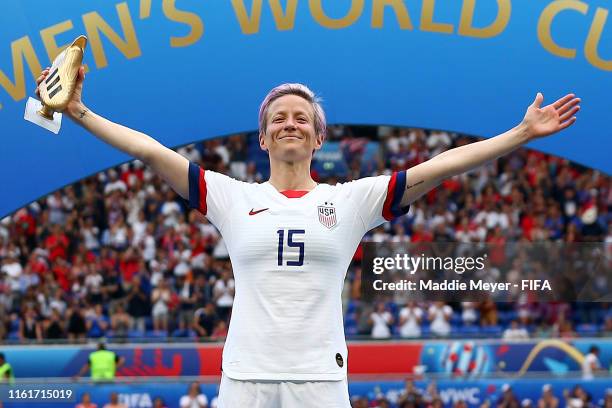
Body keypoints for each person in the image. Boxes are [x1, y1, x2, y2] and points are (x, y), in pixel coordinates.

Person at [35, 64, 580, 407]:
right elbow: (150, 152)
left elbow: (440, 167)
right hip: (243, 380)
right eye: (278, 118)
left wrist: (521, 133)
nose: (289, 123)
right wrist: (78, 109)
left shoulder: (349, 201)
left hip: (318, 382)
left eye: (301, 117)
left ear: (319, 136)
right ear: (263, 136)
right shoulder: (232, 197)